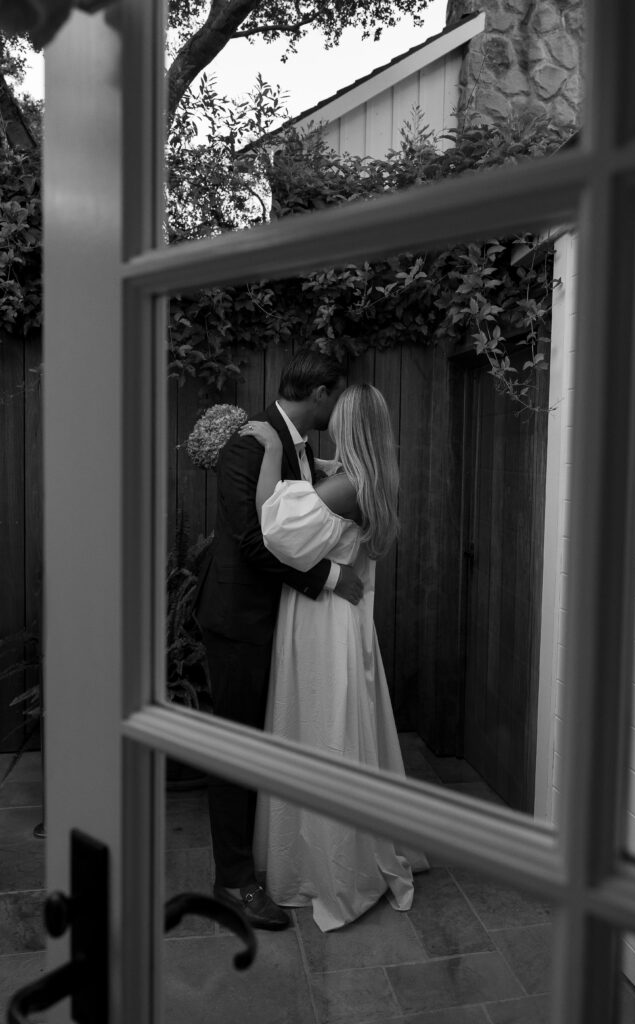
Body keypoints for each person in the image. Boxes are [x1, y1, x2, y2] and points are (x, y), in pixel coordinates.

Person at [240, 383, 429, 932]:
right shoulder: (370, 475)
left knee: (323, 727)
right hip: (346, 619)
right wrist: (313, 464)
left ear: (350, 427)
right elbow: (324, 484)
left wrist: (273, 451)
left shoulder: (347, 486)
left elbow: (274, 527)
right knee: (343, 722)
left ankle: (332, 867)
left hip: (323, 622)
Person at [195, 350, 365, 931]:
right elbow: (252, 541)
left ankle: (273, 857)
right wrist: (329, 577)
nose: (337, 408)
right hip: (240, 621)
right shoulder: (251, 443)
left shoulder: (296, 447)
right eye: (336, 396)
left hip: (277, 621)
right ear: (319, 393)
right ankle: (233, 881)